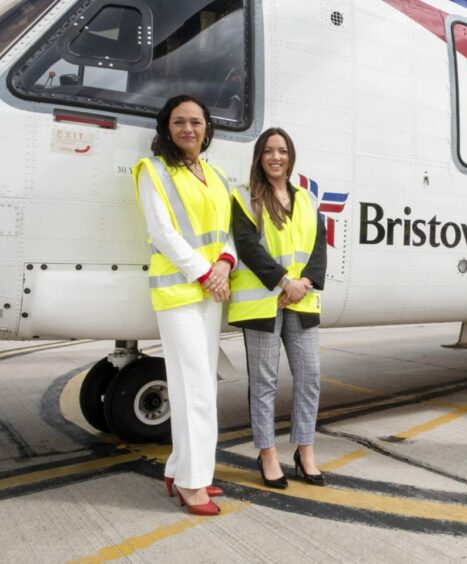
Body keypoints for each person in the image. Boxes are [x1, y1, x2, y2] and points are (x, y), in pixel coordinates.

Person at [133, 94, 235, 516]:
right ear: (167, 127)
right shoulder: (151, 170)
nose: (188, 129)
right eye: (179, 122)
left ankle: (182, 469)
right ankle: (194, 483)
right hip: (180, 293)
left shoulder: (215, 175)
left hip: (211, 293)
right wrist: (205, 273)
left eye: (196, 121)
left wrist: (225, 265)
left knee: (201, 386)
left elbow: (228, 231)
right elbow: (161, 231)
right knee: (193, 389)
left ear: (207, 128)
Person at [228, 128, 327, 488]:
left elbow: (318, 250)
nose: (276, 157)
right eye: (269, 151)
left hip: (301, 300)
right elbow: (248, 246)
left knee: (310, 376)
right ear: (259, 156)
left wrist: (304, 285)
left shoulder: (307, 200)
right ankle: (267, 454)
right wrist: (285, 282)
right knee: (265, 383)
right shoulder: (244, 197)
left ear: (291, 155)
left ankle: (305, 449)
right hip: (263, 303)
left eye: (282, 151)